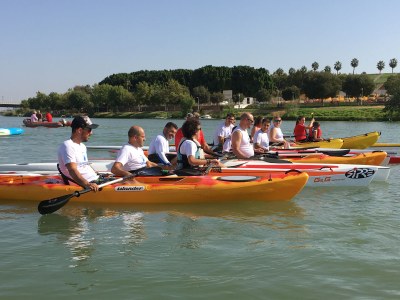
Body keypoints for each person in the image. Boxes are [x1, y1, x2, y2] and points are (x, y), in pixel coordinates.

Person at [57, 115, 101, 191]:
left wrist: (96, 174)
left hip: (94, 180)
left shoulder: (82, 146)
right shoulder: (68, 145)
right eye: (89, 130)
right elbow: (72, 170)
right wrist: (87, 184)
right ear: (79, 130)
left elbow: (84, 166)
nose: (91, 133)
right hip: (85, 183)